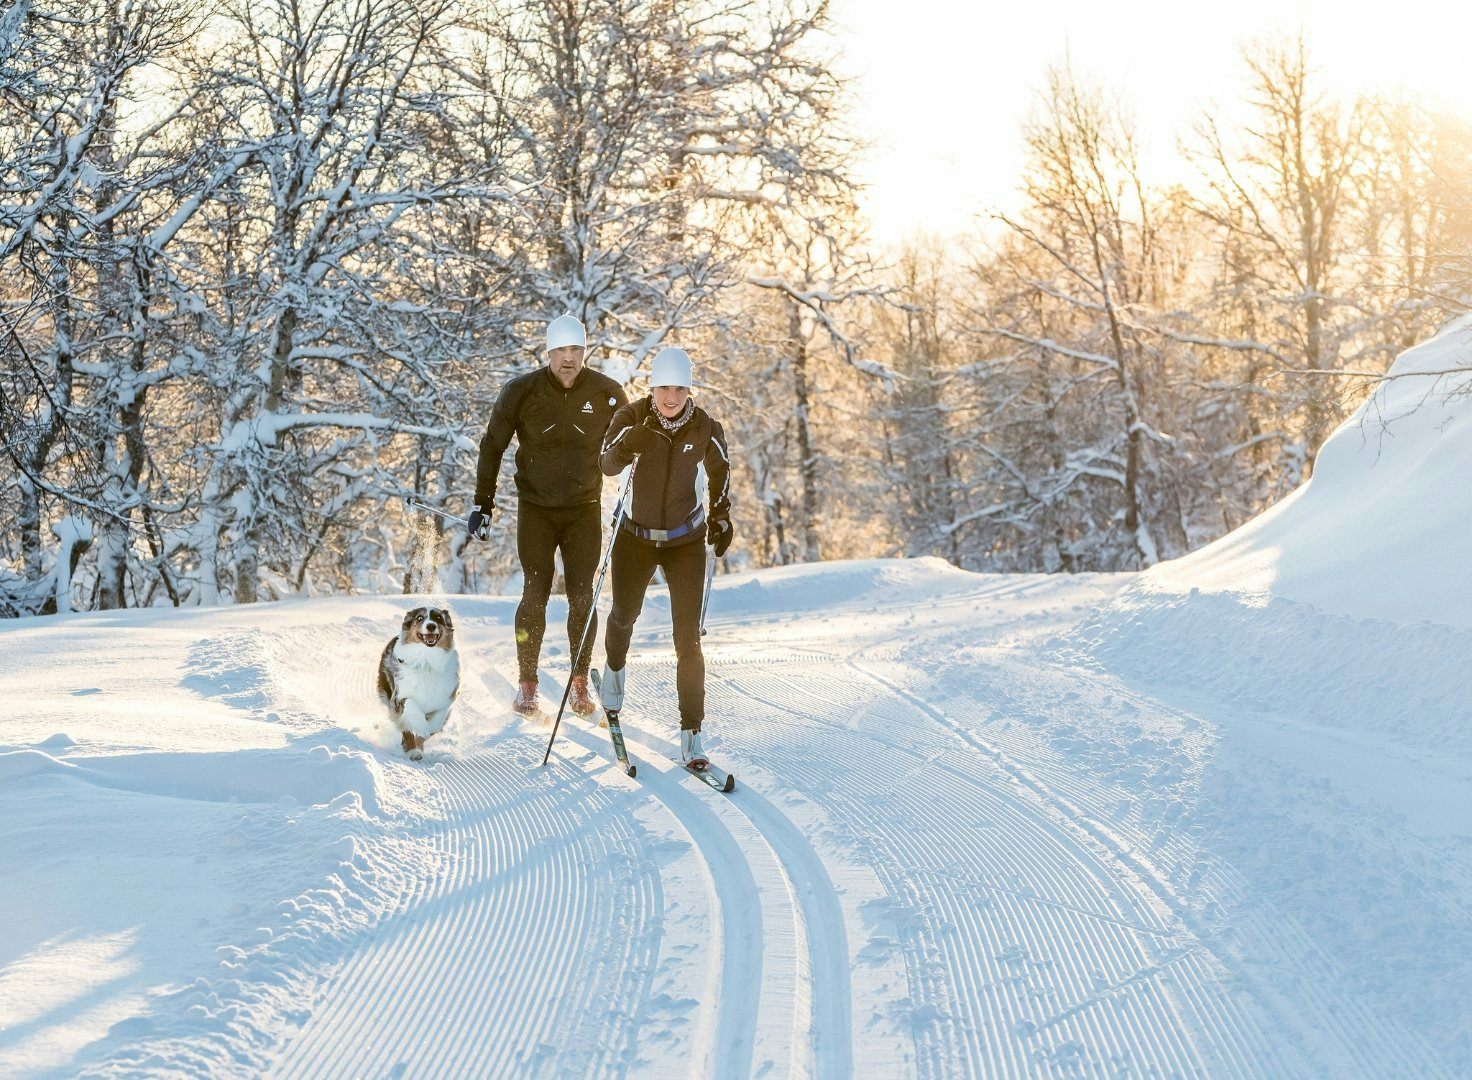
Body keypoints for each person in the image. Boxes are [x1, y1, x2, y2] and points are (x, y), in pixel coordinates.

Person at [469, 314, 628, 716]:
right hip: (536, 509)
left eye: (576, 349)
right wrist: (482, 503)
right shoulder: (521, 392)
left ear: (585, 350)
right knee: (534, 594)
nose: (568, 358)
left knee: (581, 598)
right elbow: (492, 446)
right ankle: (527, 683)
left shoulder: (609, 393)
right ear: (548, 351)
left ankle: (579, 682)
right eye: (561, 350)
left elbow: (633, 446)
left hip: (583, 510)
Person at [597, 346, 733, 767]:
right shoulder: (632, 417)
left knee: (688, 640)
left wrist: (721, 515)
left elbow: (721, 469)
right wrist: (626, 445)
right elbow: (605, 463)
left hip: (685, 541)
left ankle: (692, 735)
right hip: (635, 537)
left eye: (678, 388)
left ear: (688, 389)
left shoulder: (704, 426)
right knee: (623, 615)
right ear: (651, 388)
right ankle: (613, 686)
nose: (670, 397)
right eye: (662, 388)